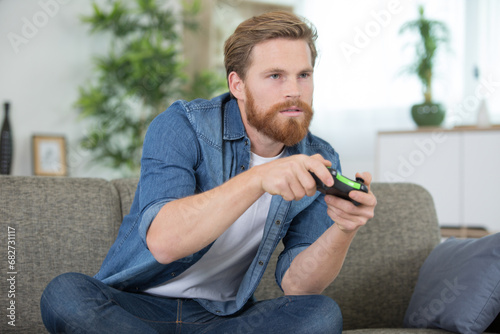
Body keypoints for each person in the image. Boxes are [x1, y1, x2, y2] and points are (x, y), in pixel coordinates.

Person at [40, 10, 376, 333]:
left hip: (223, 320)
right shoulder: (183, 125)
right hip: (136, 307)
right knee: (65, 294)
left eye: (303, 75)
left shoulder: (320, 157)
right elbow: (165, 242)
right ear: (237, 85)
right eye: (275, 76)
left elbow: (298, 284)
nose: (294, 91)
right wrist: (258, 179)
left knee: (320, 314)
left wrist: (344, 229)